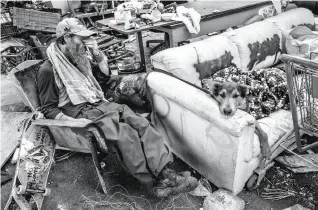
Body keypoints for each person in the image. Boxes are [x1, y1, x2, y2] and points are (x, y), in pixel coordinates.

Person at [37, 18, 198, 198]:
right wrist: (75, 122)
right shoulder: (48, 70)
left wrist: (101, 60)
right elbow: (48, 108)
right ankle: (157, 180)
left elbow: (102, 82)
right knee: (126, 136)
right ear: (64, 39)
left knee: (141, 124)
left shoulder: (78, 57)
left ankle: (167, 174)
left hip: (99, 103)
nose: (86, 43)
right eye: (80, 38)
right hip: (80, 112)